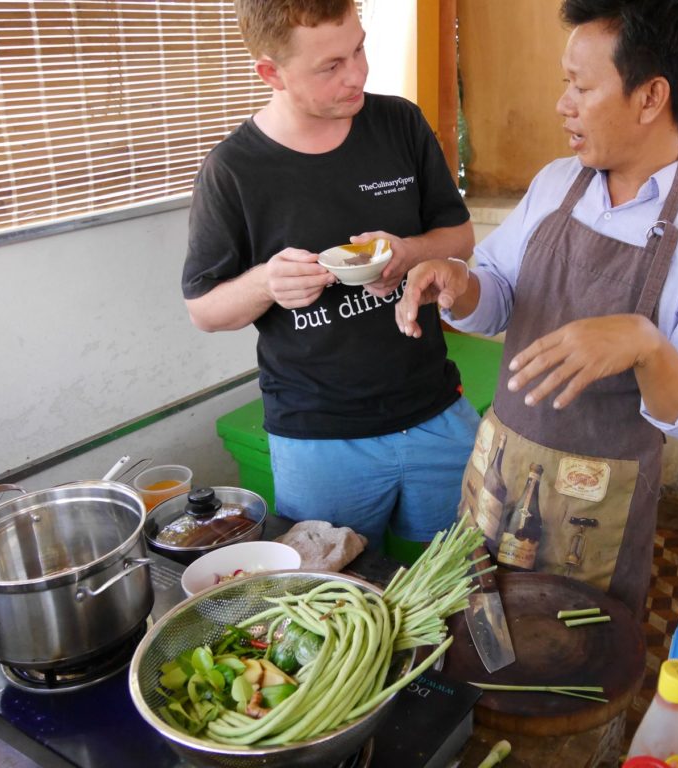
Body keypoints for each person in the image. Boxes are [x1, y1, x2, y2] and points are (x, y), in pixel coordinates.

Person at [395, 0, 678, 618]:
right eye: (566, 82)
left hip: (596, 518)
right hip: (500, 477)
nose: (563, 103)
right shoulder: (556, 183)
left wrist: (646, 345)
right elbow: (500, 294)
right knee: (469, 639)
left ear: (650, 98)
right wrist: (459, 286)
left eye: (581, 86)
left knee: (566, 676)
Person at [182, 0, 480, 548]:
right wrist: (266, 284)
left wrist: (409, 251)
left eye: (359, 48)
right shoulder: (234, 170)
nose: (358, 73)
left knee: (459, 577)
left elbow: (459, 237)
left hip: (436, 413)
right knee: (337, 601)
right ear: (271, 72)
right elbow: (203, 309)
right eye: (330, 66)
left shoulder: (399, 124)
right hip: (319, 439)